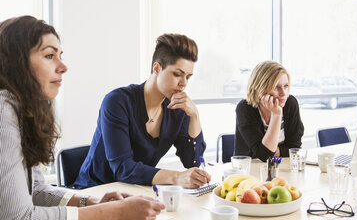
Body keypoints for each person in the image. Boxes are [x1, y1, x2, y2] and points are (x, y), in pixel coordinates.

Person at [0, 15, 164, 220]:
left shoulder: (21, 110)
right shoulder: (3, 111)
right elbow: (18, 217)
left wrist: (89, 202)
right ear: (17, 63)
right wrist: (115, 212)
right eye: (50, 56)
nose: (63, 66)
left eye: (60, 55)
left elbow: (37, 189)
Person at [74, 33, 211, 189]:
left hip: (136, 192)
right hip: (94, 192)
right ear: (157, 68)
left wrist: (194, 116)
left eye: (188, 77)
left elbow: (192, 163)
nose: (183, 83)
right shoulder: (117, 102)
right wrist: (177, 177)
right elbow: (122, 168)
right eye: (177, 74)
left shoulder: (177, 108)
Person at [234, 61, 304, 162]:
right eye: (276, 87)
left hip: (282, 166)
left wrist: (272, 152)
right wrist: (276, 115)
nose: (283, 93)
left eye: (286, 86)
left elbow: (295, 148)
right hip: (250, 170)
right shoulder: (245, 108)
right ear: (260, 88)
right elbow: (264, 156)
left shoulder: (290, 103)